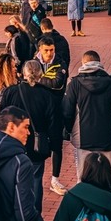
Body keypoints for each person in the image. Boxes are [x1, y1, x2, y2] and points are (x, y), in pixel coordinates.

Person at [62, 50, 111, 187]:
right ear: (99, 63)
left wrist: (69, 131)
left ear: (83, 63)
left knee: (82, 179)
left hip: (83, 139)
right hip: (109, 138)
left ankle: (84, 201)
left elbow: (67, 112)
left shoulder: (74, 84)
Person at [1, 60, 57, 211]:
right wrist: (54, 146)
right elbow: (53, 124)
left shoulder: (11, 92)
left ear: (23, 74)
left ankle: (14, 211)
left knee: (12, 179)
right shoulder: (47, 95)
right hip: (37, 146)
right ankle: (34, 213)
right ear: (41, 74)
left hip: (13, 144)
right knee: (36, 180)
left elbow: (2, 119)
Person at [34, 36, 69, 196]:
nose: (49, 53)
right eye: (46, 50)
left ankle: (55, 179)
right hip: (38, 109)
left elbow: (58, 84)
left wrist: (38, 79)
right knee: (37, 142)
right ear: (40, 49)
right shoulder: (33, 62)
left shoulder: (60, 63)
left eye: (52, 50)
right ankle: (35, 177)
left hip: (55, 109)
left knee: (56, 144)